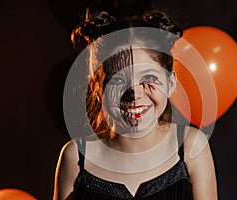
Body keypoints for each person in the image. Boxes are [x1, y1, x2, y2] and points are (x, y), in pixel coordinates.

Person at [53, 8, 217, 200]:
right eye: (118, 80)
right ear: (96, 86)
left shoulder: (191, 147)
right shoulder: (76, 157)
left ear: (170, 83)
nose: (134, 94)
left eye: (148, 78)